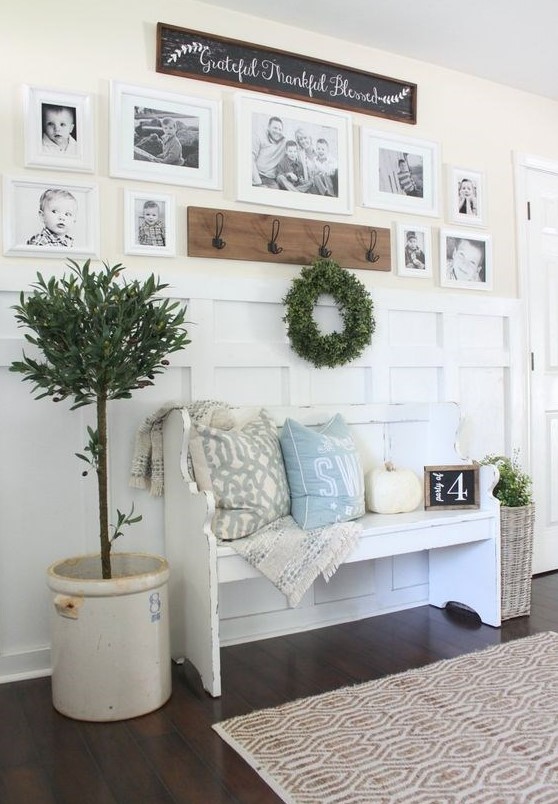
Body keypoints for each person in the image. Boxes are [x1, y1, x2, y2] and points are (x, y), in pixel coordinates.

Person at [252, 116, 286, 187]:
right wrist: (257, 180)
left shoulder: (283, 142)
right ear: (268, 127)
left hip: (270, 179)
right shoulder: (259, 137)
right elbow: (250, 158)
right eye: (275, 128)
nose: (277, 131)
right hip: (256, 174)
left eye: (280, 129)